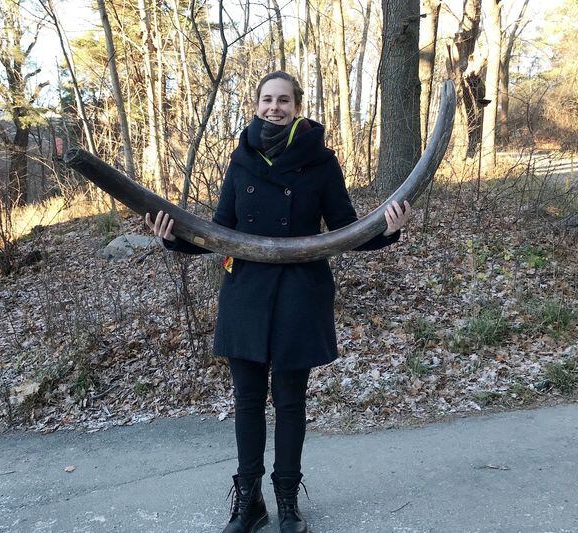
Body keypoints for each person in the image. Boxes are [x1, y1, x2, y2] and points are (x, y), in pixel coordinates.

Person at [145, 71, 411, 533]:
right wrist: (173, 241)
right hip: (246, 293)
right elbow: (219, 231)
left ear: (297, 105)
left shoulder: (322, 163)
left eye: (283, 100)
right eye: (267, 99)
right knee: (247, 401)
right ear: (257, 104)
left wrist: (388, 229)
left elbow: (346, 230)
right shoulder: (240, 160)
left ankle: (287, 500)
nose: (274, 107)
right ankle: (249, 501)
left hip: (299, 295)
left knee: (290, 403)